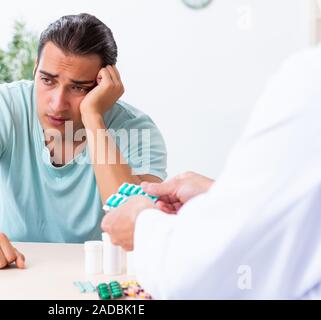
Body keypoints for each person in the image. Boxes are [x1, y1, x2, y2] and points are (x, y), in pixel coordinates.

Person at [0, 13, 167, 270]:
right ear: (36, 67)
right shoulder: (3, 108)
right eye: (47, 80)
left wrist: (93, 117)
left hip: (95, 272)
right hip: (10, 268)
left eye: (79, 88)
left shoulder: (136, 129)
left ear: (103, 85)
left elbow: (134, 224)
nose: (57, 103)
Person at [102, 45, 321, 299]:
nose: (58, 102)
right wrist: (219, 195)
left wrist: (141, 223)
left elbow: (192, 276)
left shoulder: (309, 81)